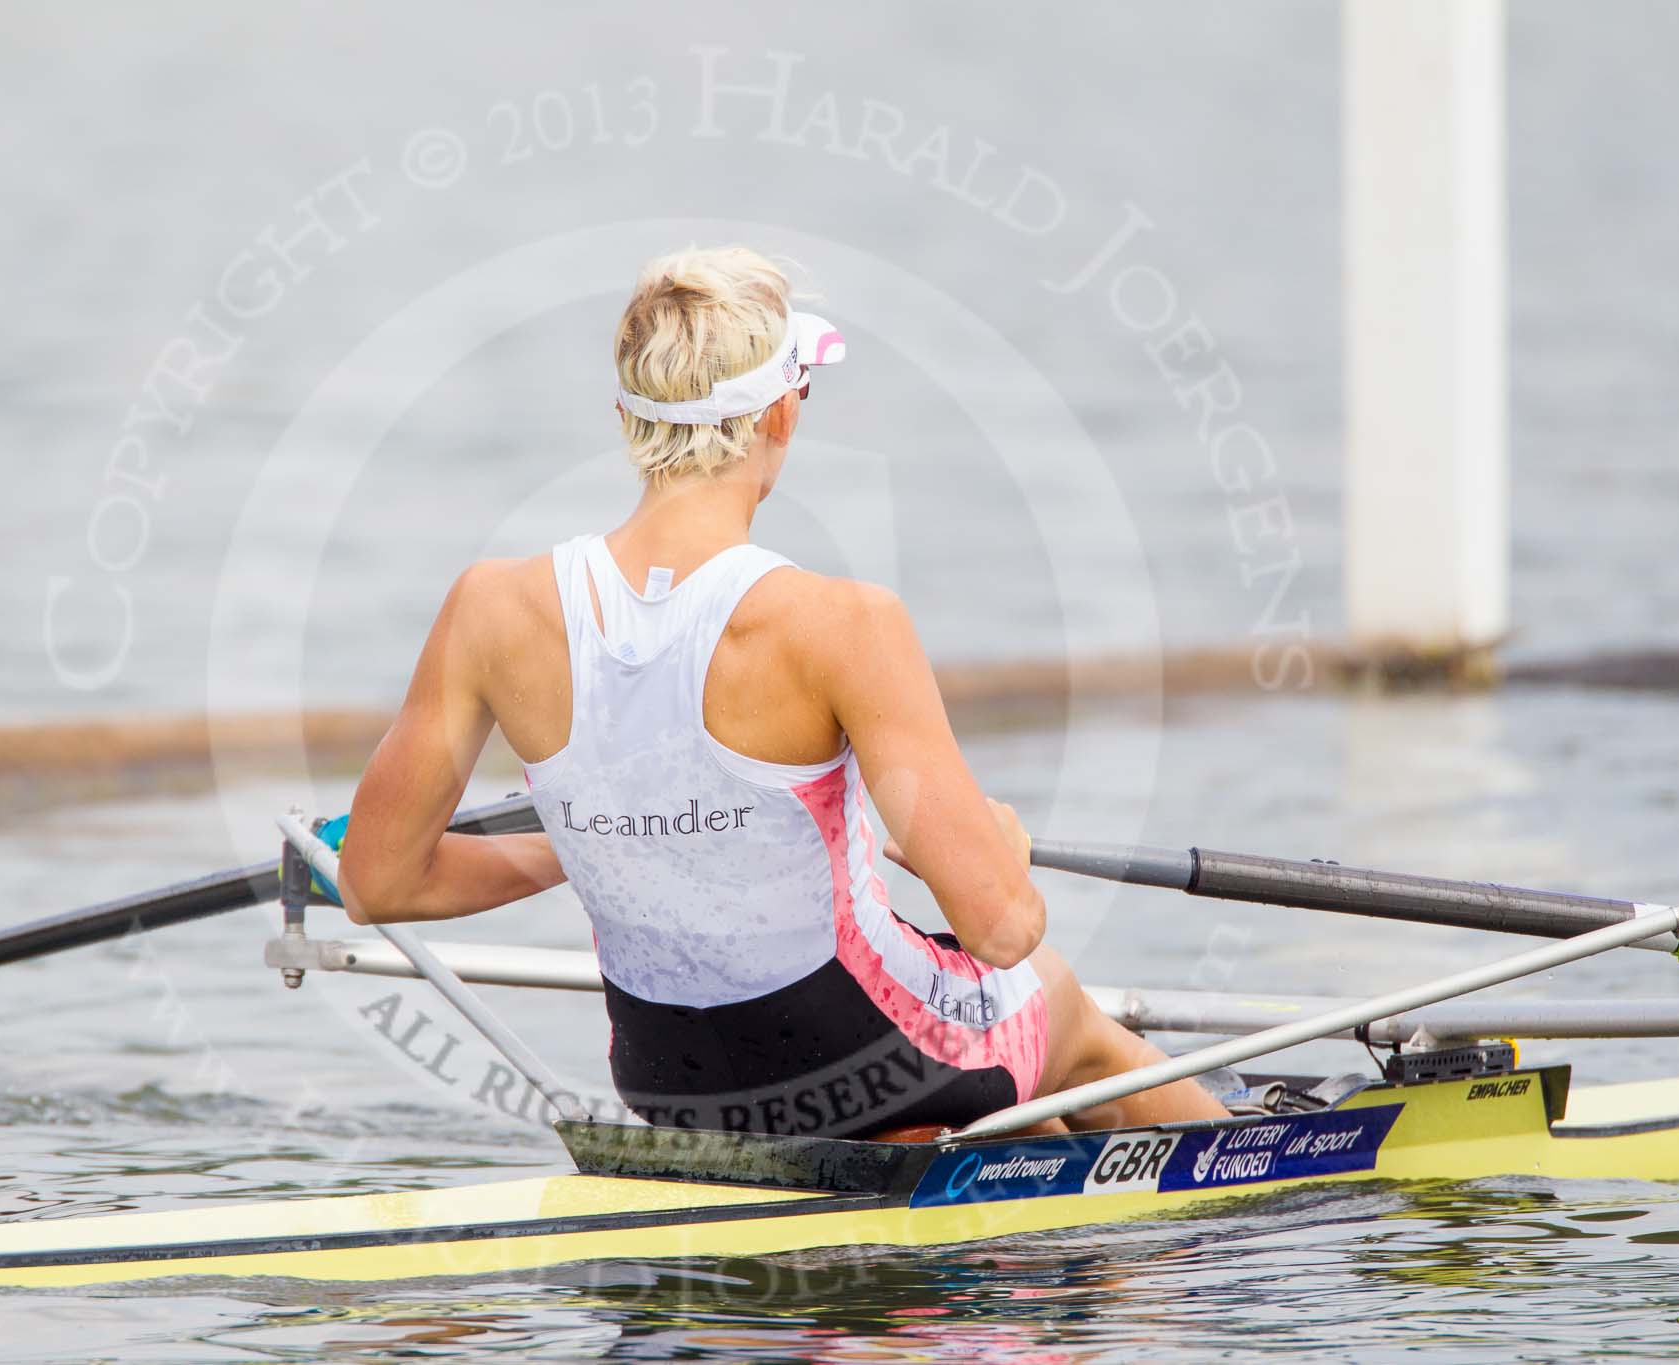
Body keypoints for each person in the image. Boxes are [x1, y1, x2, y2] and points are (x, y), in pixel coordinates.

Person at [335, 245, 1227, 1138]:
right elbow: (997, 928)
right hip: (862, 1049)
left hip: (666, 1076)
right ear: (782, 414)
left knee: (1012, 1102)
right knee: (1059, 1005)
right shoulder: (843, 625)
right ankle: (1255, 1190)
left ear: (625, 416)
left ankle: (1058, 1240)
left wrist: (607, 839)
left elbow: (376, 883)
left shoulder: (488, 609)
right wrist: (1007, 859)